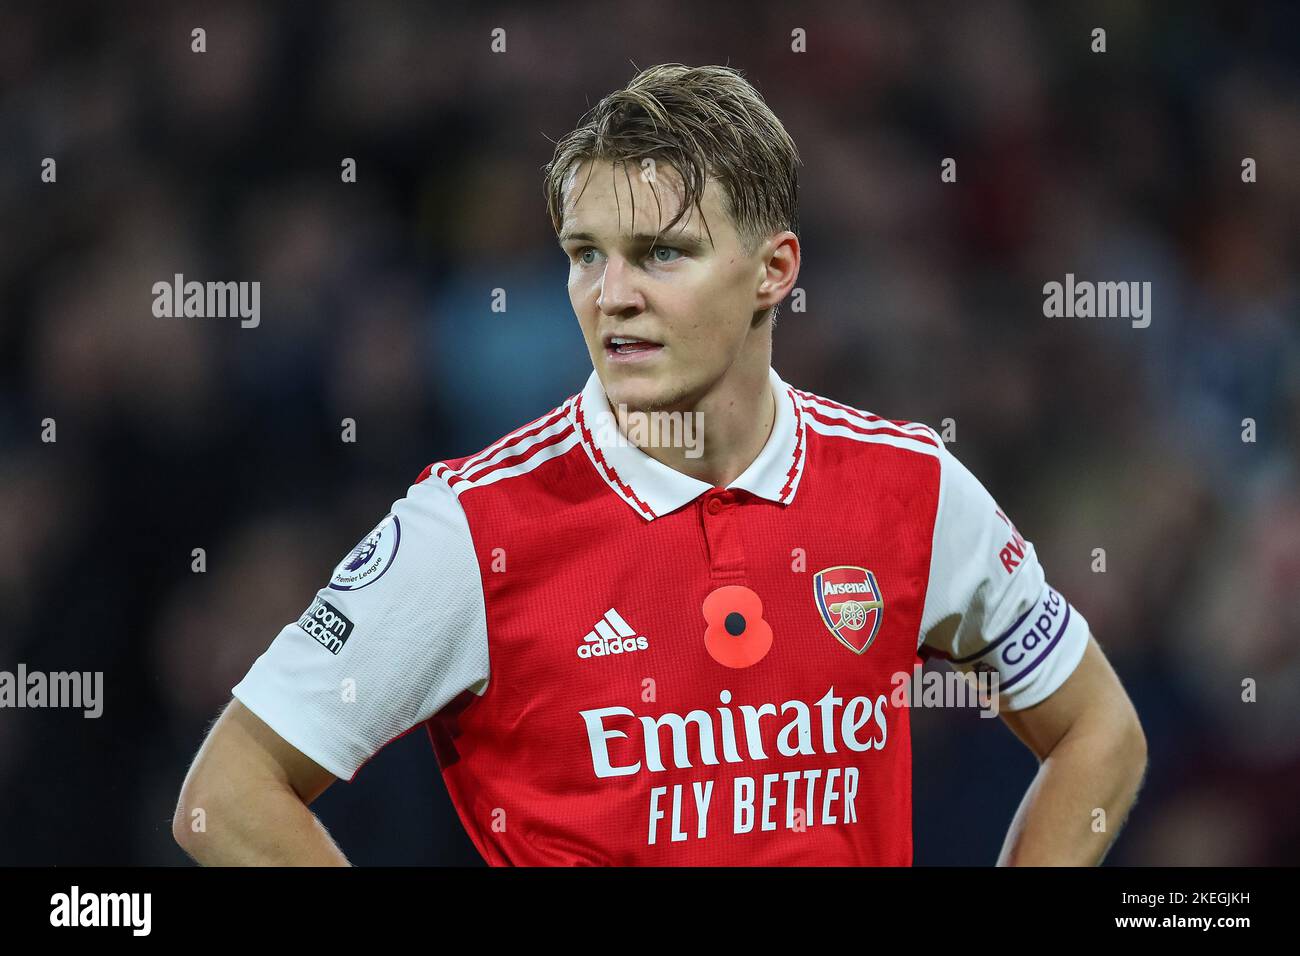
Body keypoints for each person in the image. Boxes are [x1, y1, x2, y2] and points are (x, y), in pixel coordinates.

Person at [174, 63, 1146, 866]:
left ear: (773, 269)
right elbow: (228, 794)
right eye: (585, 254)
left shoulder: (910, 489)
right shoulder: (470, 529)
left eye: (661, 254)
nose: (612, 295)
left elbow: (1098, 730)